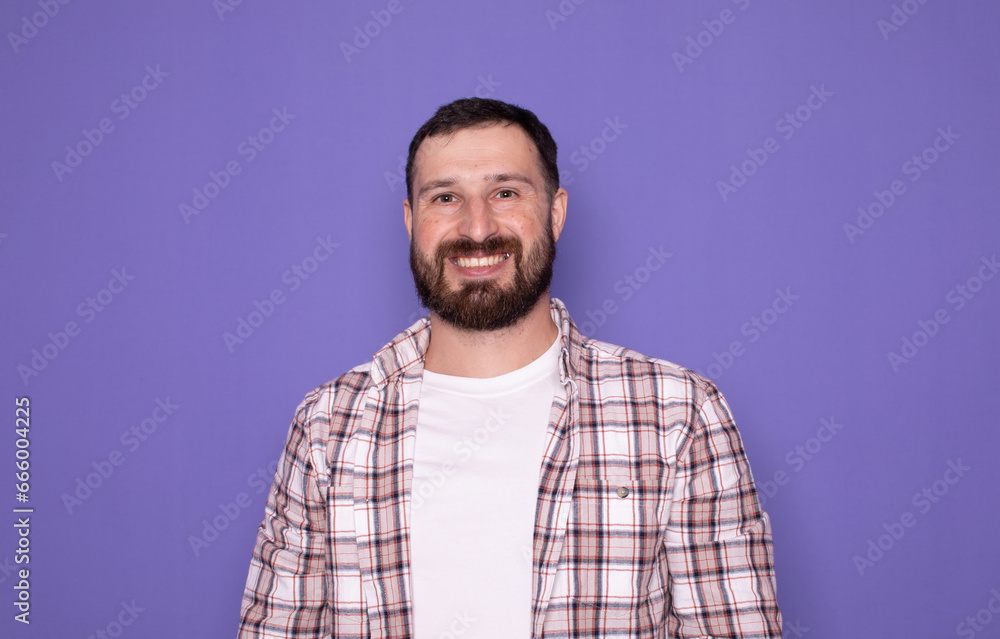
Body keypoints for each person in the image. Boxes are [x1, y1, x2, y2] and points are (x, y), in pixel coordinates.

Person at [238, 97, 782, 638]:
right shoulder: (328, 426)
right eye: (445, 197)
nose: (477, 228)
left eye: (505, 193)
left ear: (556, 212)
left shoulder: (677, 415)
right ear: (410, 221)